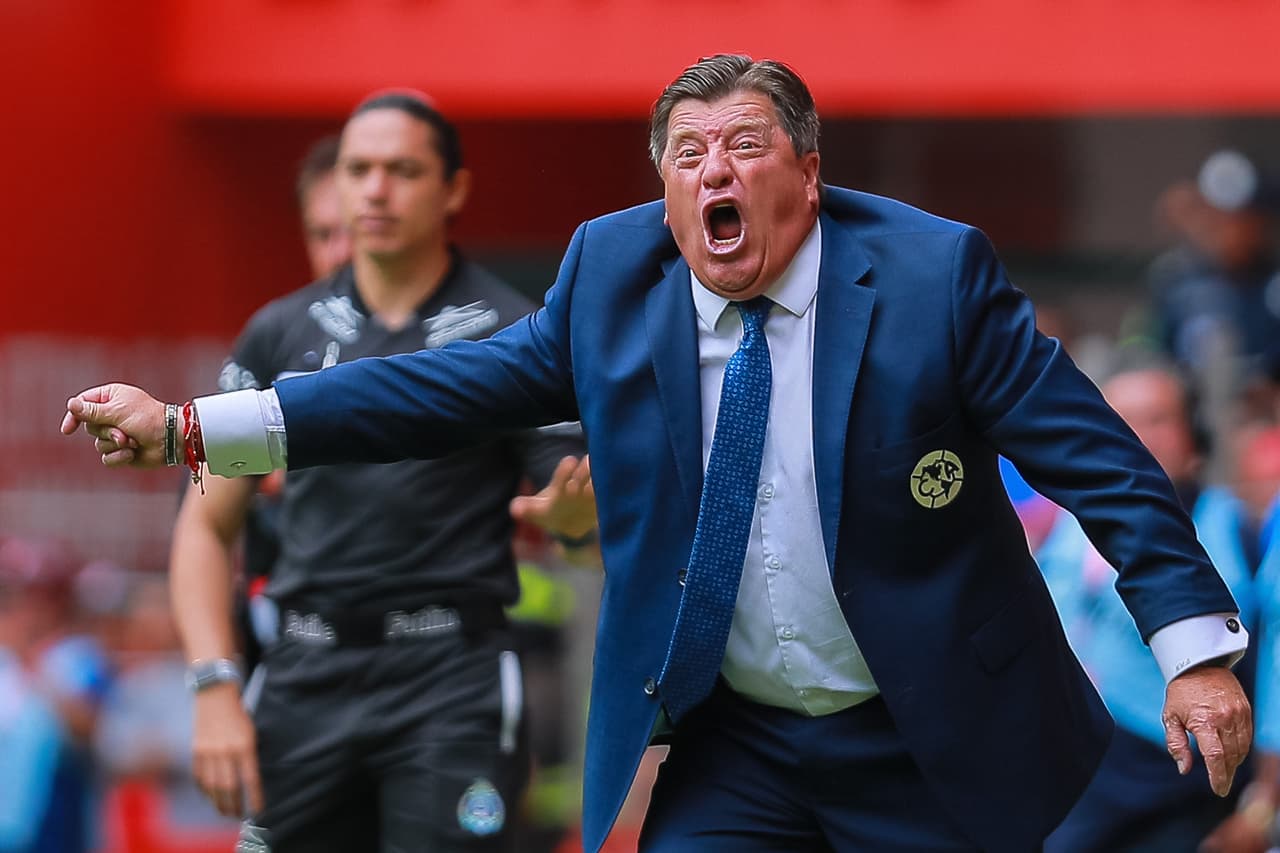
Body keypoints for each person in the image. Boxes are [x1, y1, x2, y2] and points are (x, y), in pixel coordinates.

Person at [64, 55, 1253, 853]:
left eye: (743, 145)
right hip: (740, 739)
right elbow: (436, 392)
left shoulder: (933, 278)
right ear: (663, 188)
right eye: (687, 155)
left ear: (808, 171)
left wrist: (1193, 651)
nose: (714, 173)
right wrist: (189, 426)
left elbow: (1099, 458)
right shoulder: (608, 277)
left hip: (920, 725)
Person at [150, 92, 595, 852]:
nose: (377, 189)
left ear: (453, 189)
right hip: (300, 675)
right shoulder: (278, 330)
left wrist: (572, 523)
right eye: (360, 169)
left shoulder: (515, 337)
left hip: (451, 682)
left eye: (403, 169)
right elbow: (203, 525)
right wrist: (215, 685)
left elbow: (586, 527)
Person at [1037, 364, 1280, 852]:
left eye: (1157, 419)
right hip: (1076, 782)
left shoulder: (1235, 534)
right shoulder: (1065, 530)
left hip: (1188, 784)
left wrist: (1262, 807)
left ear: (1196, 438)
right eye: (1118, 419)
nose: (1136, 438)